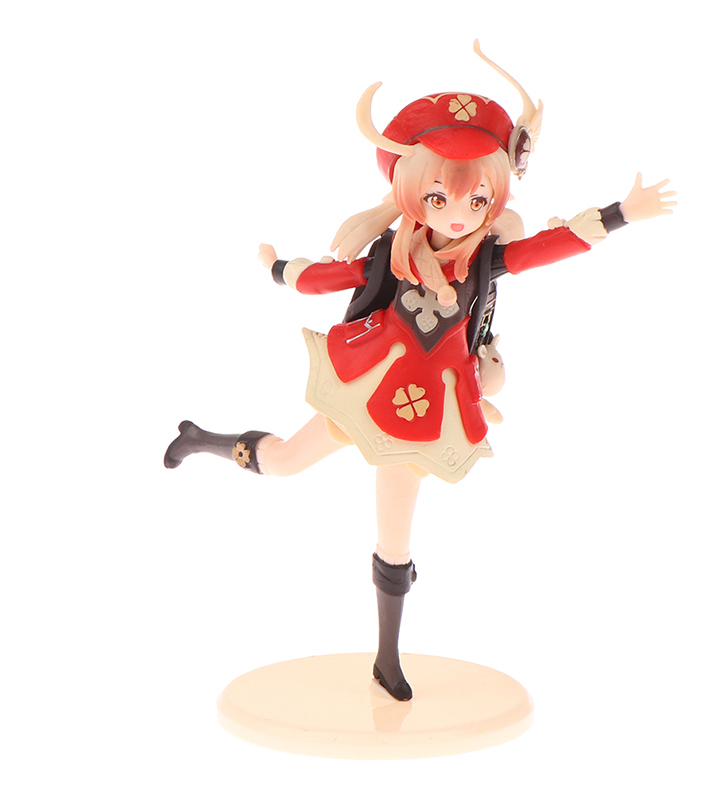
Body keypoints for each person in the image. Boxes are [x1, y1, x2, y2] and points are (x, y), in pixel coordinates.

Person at [164, 42, 676, 701]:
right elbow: (327, 278)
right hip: (366, 388)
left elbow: (550, 247)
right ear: (411, 191)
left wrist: (622, 213)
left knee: (395, 538)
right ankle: (199, 439)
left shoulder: (488, 258)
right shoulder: (390, 253)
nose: (458, 213)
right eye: (438, 196)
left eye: (476, 199)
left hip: (425, 412)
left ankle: (387, 659)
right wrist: (276, 268)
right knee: (286, 462)